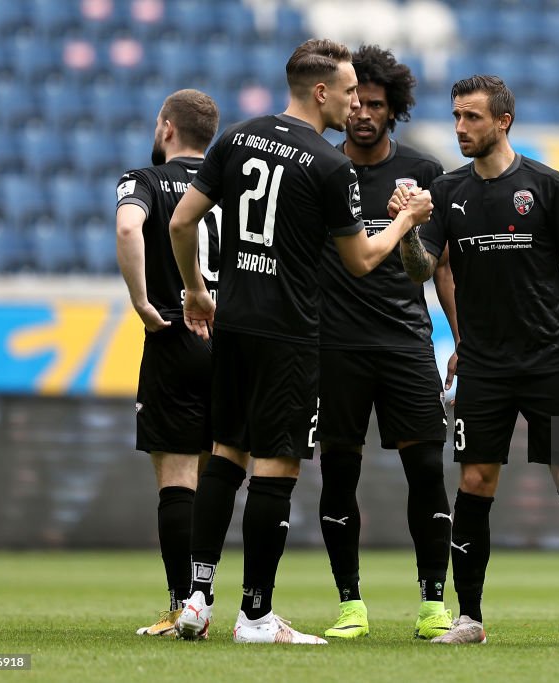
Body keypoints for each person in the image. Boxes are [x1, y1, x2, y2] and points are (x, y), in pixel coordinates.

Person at [167, 38, 433, 646]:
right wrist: (405, 221)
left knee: (225, 454)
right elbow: (363, 260)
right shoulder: (329, 164)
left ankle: (196, 599)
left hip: (232, 319)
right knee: (275, 464)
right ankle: (256, 614)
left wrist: (195, 291)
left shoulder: (236, 137)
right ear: (321, 92)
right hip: (288, 332)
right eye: (346, 92)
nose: (353, 104)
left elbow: (183, 221)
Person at [397, 75, 559, 645]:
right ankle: (469, 618)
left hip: (549, 363)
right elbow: (423, 270)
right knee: (475, 478)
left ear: (503, 122)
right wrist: (404, 230)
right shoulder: (446, 191)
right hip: (483, 365)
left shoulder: (546, 184)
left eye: (471, 117)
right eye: (456, 117)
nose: (461, 127)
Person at [316, 45, 457, 641]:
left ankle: (432, 604)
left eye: (375, 103)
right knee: (338, 473)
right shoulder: (318, 167)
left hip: (404, 344)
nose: (363, 113)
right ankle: (351, 603)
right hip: (335, 348)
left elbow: (440, 266)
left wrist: (464, 337)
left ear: (393, 108)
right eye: (356, 102)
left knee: (426, 470)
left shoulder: (425, 173)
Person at [114, 89, 220, 638]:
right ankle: (234, 602)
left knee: (177, 479)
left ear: (166, 127)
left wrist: (140, 301)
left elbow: (129, 228)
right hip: (234, 340)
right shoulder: (233, 182)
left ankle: (185, 608)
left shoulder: (146, 181)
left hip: (175, 333)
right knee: (218, 476)